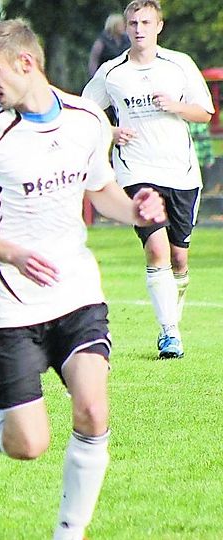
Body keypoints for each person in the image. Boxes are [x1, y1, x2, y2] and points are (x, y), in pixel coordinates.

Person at [0, 19, 166, 540]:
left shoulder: (87, 119)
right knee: (28, 444)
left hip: (73, 289)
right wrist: (14, 254)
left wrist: (134, 209)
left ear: (27, 64)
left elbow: (101, 188)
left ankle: (70, 533)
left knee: (91, 407)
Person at [82, 0, 214, 358]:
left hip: (181, 172)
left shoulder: (179, 65)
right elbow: (85, 114)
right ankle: (169, 332)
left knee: (179, 259)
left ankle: (174, 310)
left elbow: (205, 113)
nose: (139, 28)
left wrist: (176, 106)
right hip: (136, 172)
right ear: (125, 28)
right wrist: (110, 131)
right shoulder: (112, 73)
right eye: (133, 22)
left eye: (146, 22)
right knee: (156, 249)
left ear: (159, 26)